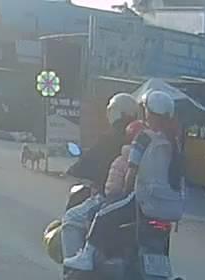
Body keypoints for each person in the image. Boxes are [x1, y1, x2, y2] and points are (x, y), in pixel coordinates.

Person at [65, 89, 185, 271]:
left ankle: (86, 257)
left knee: (103, 215)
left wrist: (124, 193)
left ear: (148, 112)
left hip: (144, 201)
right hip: (171, 208)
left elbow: (131, 172)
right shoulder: (174, 143)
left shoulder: (143, 138)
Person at [57, 93, 142, 264]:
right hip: (140, 202)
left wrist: (73, 170)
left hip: (111, 196)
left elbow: (91, 160)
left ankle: (74, 267)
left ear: (115, 112)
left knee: (71, 219)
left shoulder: (112, 136)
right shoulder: (143, 137)